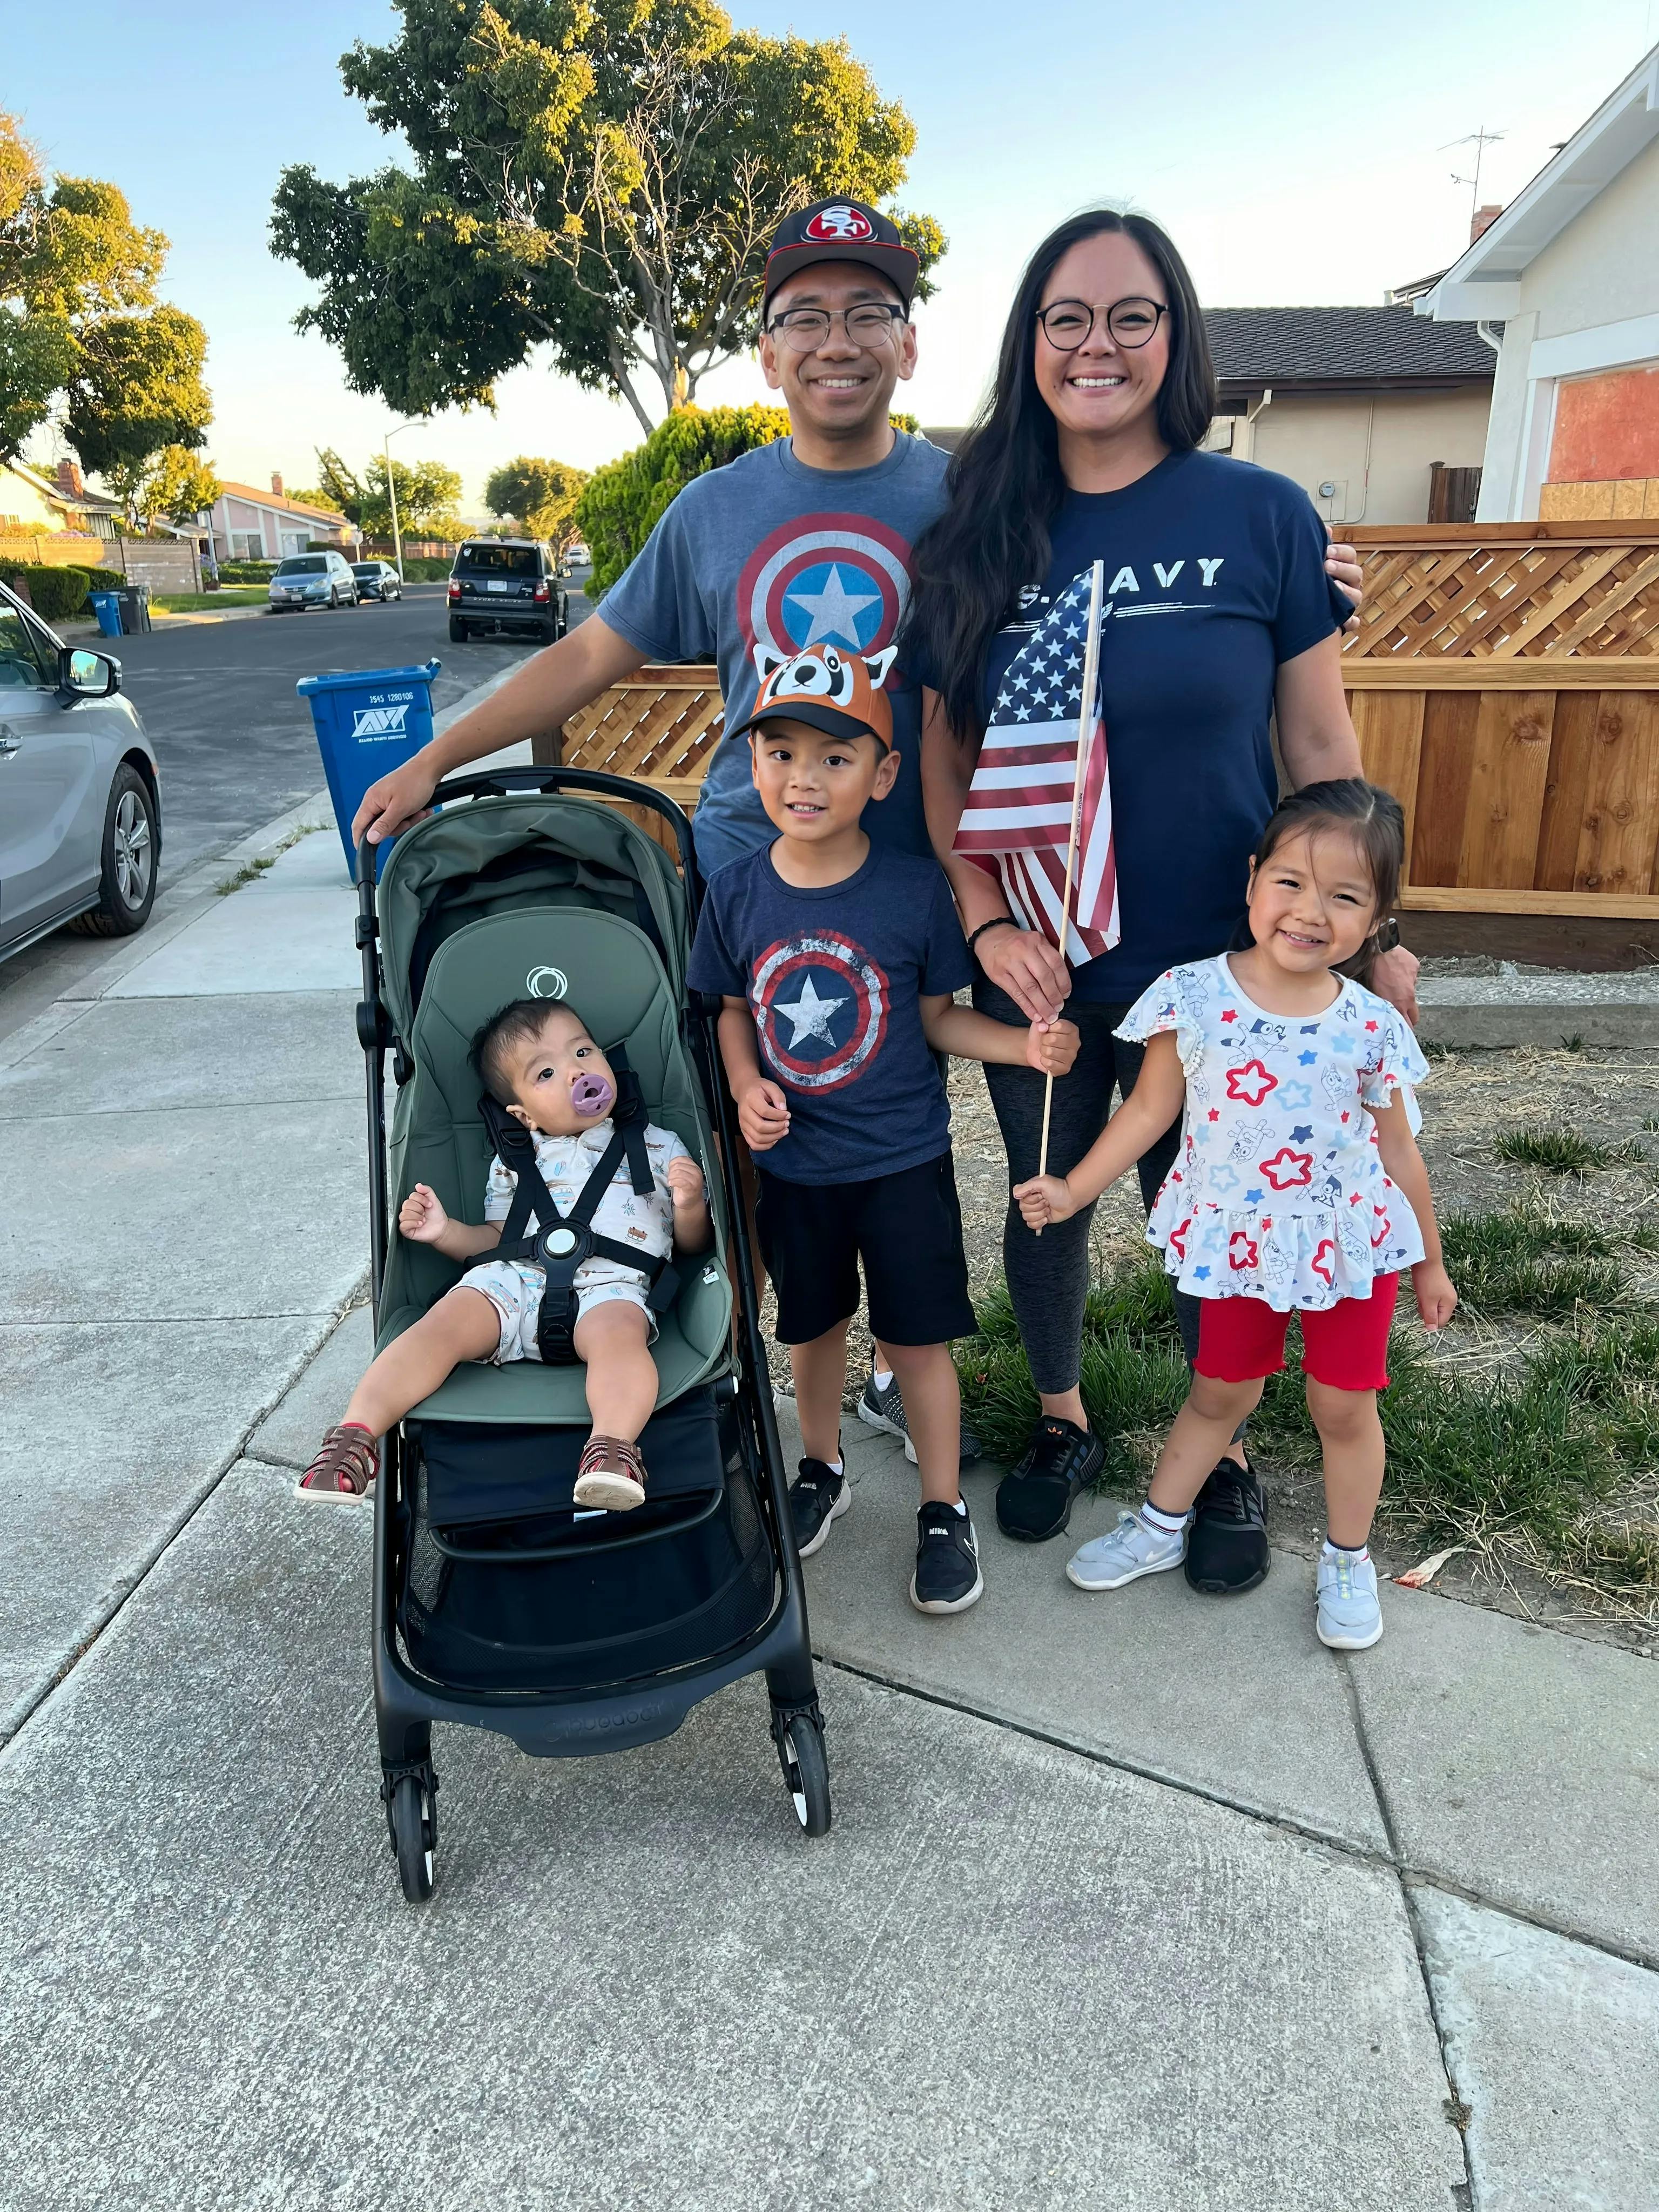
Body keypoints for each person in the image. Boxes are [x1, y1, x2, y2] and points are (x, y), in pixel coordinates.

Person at [346, 194, 1366, 1466]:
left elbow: (1134, 575)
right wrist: (437, 755)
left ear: (910, 341)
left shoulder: (977, 495)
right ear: (766, 352)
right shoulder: (717, 512)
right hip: (758, 887)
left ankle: (913, 1375)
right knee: (760, 1158)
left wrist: (1304, 581)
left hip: (915, 899)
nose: (837, 340)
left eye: (868, 312)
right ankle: (740, 1394)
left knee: (903, 1159)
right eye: (805, 316)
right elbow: (588, 654)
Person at [906, 205, 1419, 1588]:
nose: (1098, 344)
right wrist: (986, 921)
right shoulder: (975, 531)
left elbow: (1319, 745)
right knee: (1050, 1194)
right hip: (1042, 952)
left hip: (1229, 965)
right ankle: (1062, 1414)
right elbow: (944, 759)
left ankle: (1224, 1446)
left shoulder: (1261, 514)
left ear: (1174, 337)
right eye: (1065, 317)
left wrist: (1378, 935)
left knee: (1221, 1203)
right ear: (1028, 343)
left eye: (1131, 316)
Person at [1014, 780, 1455, 1650]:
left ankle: (1348, 1559)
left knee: (1343, 1407)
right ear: (1253, 879)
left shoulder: (1372, 1026)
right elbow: (1147, 1113)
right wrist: (1072, 1189)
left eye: (1345, 897)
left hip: (1346, 1247)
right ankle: (1160, 1525)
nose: (1310, 911)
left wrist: (1429, 1261)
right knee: (1220, 1390)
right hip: (1240, 1241)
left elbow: (1401, 1153)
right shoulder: (1192, 996)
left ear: (1377, 920)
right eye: (1290, 882)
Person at [687, 642, 1077, 1613]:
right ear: (750, 762)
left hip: (904, 1164)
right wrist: (744, 1084)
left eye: (835, 757)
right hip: (798, 1169)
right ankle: (821, 1467)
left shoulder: (913, 890)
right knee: (812, 1327)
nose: (803, 778)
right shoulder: (733, 890)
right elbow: (731, 1008)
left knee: (917, 1341)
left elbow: (939, 1019)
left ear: (884, 773)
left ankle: (942, 1506)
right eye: (780, 753)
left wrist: (1021, 1046)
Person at [298, 1001, 710, 1509]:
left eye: (583, 1052)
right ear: (523, 1113)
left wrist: (690, 1205)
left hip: (612, 1289)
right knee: (441, 1324)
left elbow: (693, 1246)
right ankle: (353, 1440)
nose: (576, 1072)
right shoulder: (515, 1160)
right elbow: (497, 1238)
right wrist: (446, 1233)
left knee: (621, 1341)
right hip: (514, 1282)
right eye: (546, 1073)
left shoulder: (659, 1146)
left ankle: (611, 1449)